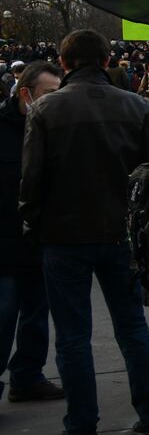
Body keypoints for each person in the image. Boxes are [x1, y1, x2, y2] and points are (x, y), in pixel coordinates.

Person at [19, 29, 149, 435]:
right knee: (133, 326)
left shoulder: (46, 109)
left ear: (64, 64)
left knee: (72, 337)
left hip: (64, 235)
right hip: (120, 232)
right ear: (106, 61)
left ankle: (83, 430)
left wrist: (31, 223)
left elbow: (32, 179)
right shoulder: (137, 105)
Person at [0, 61, 65, 405]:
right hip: (6, 244)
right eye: (50, 94)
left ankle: (27, 377)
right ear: (26, 93)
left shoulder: (56, 128)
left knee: (37, 316)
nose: (57, 101)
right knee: (3, 315)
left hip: (40, 242)